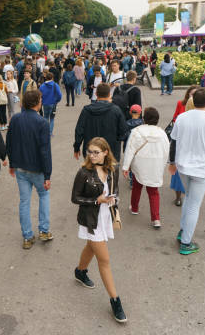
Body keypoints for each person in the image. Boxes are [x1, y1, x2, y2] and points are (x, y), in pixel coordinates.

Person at [70, 137, 126, 323]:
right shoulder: (84, 172)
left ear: (105, 152)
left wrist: (113, 200)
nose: (92, 155)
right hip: (90, 218)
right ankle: (115, 301)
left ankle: (80, 271)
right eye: (90, 152)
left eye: (96, 152)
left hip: (104, 217)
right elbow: (75, 198)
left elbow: (115, 190)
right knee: (104, 259)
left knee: (90, 247)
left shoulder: (112, 169)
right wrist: (96, 200)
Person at [168, 87, 205, 255]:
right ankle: (186, 242)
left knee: (189, 199)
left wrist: (171, 162)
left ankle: (183, 231)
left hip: (183, 167)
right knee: (194, 204)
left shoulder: (182, 117)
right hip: (201, 170)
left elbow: (173, 142)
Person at [6, 90, 53, 249]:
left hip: (21, 168)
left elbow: (10, 143)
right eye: (40, 99)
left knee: (24, 202)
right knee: (44, 195)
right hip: (38, 169)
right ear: (37, 103)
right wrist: (47, 175)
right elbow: (45, 151)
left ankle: (27, 236)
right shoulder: (42, 123)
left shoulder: (16, 119)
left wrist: (12, 164)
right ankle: (44, 230)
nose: (41, 102)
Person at [122, 107, 169, 228]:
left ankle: (134, 208)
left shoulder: (137, 131)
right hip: (156, 164)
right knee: (153, 191)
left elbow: (130, 150)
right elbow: (166, 150)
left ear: (144, 118)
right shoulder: (162, 133)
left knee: (137, 186)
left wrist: (126, 167)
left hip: (140, 163)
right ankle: (156, 218)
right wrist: (162, 165)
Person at [74, 83, 127, 163]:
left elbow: (79, 131)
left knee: (91, 173)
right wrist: (116, 140)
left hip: (91, 151)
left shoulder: (86, 110)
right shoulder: (116, 110)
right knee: (109, 173)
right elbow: (123, 131)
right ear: (109, 94)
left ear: (96, 94)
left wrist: (76, 147)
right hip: (110, 151)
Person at [171, 86, 197, 206]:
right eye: (192, 94)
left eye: (196, 95)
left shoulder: (202, 110)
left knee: (192, 173)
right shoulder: (181, 104)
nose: (193, 97)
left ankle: (190, 195)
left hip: (194, 146)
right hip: (181, 142)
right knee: (178, 171)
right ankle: (178, 196)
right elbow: (175, 117)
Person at [39, 72, 62, 136]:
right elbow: (59, 95)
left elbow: (39, 95)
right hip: (53, 104)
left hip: (45, 104)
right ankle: (50, 133)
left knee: (46, 117)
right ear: (52, 78)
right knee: (52, 118)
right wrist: (57, 100)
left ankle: (45, 132)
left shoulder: (42, 86)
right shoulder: (55, 85)